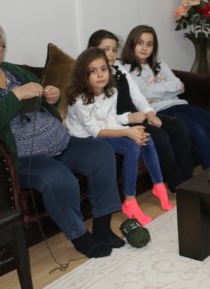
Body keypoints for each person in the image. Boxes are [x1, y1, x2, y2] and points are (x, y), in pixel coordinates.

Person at [0, 19, 124, 258]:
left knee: (101, 153)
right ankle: (79, 235)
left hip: (61, 143)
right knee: (59, 178)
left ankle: (102, 225)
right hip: (21, 156)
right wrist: (15, 96)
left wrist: (52, 98)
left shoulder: (14, 71)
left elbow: (42, 100)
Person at [66, 48, 174, 226]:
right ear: (82, 75)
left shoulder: (111, 92)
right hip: (83, 140)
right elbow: (96, 131)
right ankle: (130, 202)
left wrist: (129, 123)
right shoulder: (79, 100)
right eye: (93, 71)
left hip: (102, 131)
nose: (100, 74)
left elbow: (109, 120)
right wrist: (127, 132)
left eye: (104, 69)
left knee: (144, 136)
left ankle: (159, 186)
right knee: (131, 147)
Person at [87, 29, 194, 191]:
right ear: (92, 50)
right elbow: (101, 115)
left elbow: (136, 95)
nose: (111, 54)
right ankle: (177, 186)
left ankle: (188, 177)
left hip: (137, 115)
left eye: (114, 50)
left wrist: (150, 113)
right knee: (160, 136)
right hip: (119, 121)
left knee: (177, 125)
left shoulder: (118, 68)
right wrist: (129, 118)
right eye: (105, 49)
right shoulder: (94, 77)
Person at [121, 25, 210, 169]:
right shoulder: (127, 69)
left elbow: (180, 86)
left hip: (177, 103)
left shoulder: (160, 64)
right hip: (158, 110)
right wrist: (168, 88)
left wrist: (160, 90)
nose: (144, 48)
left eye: (149, 44)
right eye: (140, 43)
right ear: (132, 44)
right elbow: (145, 93)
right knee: (198, 129)